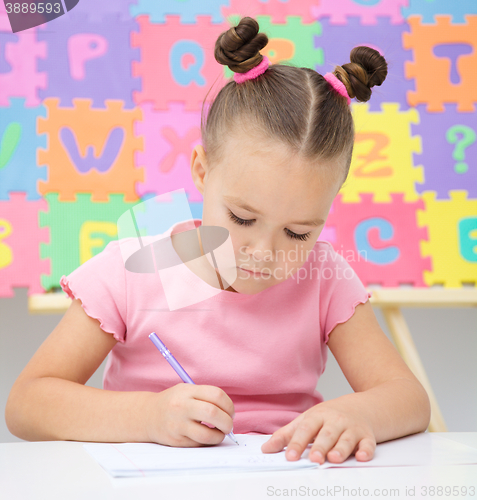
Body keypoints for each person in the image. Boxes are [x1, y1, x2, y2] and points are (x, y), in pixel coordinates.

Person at [5, 16, 430, 465]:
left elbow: (409, 399)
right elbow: (26, 404)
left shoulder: (325, 279)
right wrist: (147, 416)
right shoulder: (134, 269)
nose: (264, 253)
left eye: (298, 232)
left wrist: (356, 412)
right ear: (202, 172)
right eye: (243, 218)